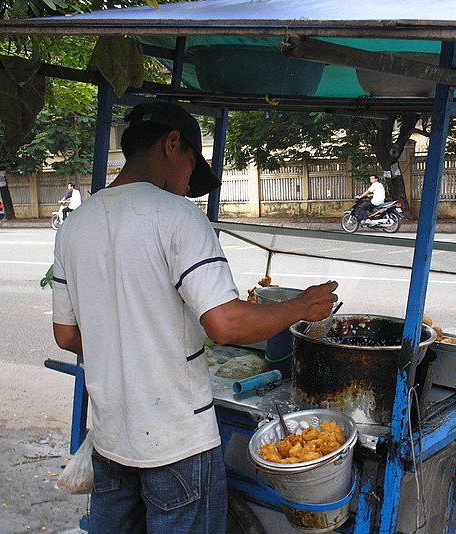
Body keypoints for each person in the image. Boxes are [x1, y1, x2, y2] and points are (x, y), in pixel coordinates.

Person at [51, 101, 338, 534]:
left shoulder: (75, 224)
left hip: (110, 440)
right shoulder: (178, 217)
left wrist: (129, 351)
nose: (188, 186)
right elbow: (225, 324)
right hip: (178, 443)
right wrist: (301, 307)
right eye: (191, 168)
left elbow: (67, 335)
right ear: (172, 145)